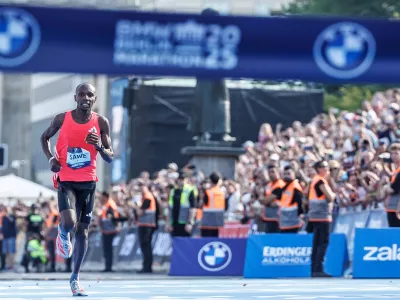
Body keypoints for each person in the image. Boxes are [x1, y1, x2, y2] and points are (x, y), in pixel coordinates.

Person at [40, 83, 113, 296]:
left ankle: (75, 278)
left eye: (89, 95)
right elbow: (44, 137)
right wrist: (51, 158)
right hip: (66, 180)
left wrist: (99, 145)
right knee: (70, 223)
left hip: (88, 183)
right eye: (81, 94)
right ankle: (63, 234)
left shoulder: (101, 122)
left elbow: (109, 157)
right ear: (75, 97)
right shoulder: (62, 119)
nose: (85, 98)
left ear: (94, 99)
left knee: (82, 230)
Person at [308, 160, 336, 278]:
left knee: (317, 242)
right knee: (322, 242)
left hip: (315, 215)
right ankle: (318, 268)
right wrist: (333, 193)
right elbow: (330, 197)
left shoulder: (315, 180)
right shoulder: (320, 181)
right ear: (319, 168)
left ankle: (314, 268)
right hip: (322, 215)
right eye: (325, 167)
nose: (328, 169)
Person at [134, 180, 159, 273]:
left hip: (147, 225)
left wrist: (136, 205)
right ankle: (146, 266)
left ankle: (147, 267)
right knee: (145, 246)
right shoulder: (144, 197)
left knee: (146, 246)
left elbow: (140, 212)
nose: (140, 188)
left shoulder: (148, 197)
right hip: (145, 224)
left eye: (142, 186)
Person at [166, 172, 197, 237]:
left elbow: (193, 208)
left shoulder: (190, 190)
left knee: (185, 243)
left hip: (185, 223)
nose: (181, 180)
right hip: (174, 222)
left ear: (186, 179)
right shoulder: (173, 191)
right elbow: (170, 208)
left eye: (183, 179)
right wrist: (168, 223)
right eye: (180, 179)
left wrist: (190, 222)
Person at [379, 143, 400, 226]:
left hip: (397, 209)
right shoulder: (396, 171)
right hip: (391, 208)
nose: (393, 156)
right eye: (392, 153)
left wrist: (385, 188)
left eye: (396, 153)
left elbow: (392, 189)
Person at [199, 172, 225, 237]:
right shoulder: (222, 193)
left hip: (207, 223)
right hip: (217, 224)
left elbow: (201, 205)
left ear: (210, 181)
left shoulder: (208, 192)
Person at [99, 191, 120, 272]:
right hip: (106, 229)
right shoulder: (107, 204)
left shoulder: (110, 204)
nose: (101, 199)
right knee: (107, 249)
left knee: (108, 249)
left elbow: (113, 217)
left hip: (110, 229)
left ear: (105, 197)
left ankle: (109, 267)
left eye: (102, 197)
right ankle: (107, 266)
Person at [261, 165, 286, 233]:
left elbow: (265, 200)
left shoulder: (280, 184)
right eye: (269, 172)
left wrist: (266, 201)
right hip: (269, 216)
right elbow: (262, 199)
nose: (271, 174)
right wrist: (266, 201)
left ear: (278, 173)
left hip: (277, 216)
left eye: (273, 172)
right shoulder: (269, 185)